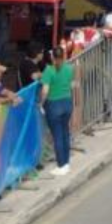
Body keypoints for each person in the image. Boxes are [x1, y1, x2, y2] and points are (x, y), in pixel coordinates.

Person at [39, 46, 77, 176]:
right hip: (67, 103)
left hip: (53, 105)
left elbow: (45, 91)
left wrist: (40, 104)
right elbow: (72, 85)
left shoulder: (48, 70)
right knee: (65, 133)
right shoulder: (69, 68)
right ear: (64, 56)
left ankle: (61, 165)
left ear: (52, 57)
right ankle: (66, 163)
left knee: (57, 136)